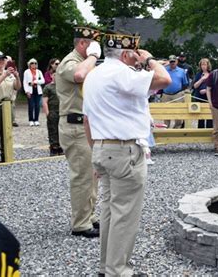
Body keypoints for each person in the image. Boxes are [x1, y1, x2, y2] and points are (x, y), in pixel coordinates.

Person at [83, 32, 171, 276]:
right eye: (134, 54)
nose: (137, 59)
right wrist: (150, 60)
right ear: (124, 53)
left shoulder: (94, 75)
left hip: (102, 147)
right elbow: (165, 80)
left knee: (111, 211)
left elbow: (87, 121)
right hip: (124, 150)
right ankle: (118, 270)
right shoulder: (123, 73)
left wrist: (95, 153)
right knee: (125, 214)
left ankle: (106, 266)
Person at [57, 26, 103, 238]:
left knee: (93, 175)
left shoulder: (84, 61)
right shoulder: (70, 62)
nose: (96, 49)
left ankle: (89, 215)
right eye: (93, 44)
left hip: (87, 125)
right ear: (82, 43)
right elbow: (79, 75)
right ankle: (80, 224)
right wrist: (93, 55)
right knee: (82, 176)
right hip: (74, 126)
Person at [161, 55, 189, 128]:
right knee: (166, 114)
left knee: (178, 114)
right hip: (166, 94)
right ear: (169, 62)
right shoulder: (164, 70)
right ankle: (166, 130)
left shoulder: (182, 71)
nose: (172, 63)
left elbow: (185, 83)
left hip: (178, 94)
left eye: (174, 61)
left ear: (176, 62)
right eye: (171, 61)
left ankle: (176, 130)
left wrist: (182, 92)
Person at [42, 67, 63, 156]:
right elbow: (44, 101)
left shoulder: (63, 86)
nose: (56, 76)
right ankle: (54, 147)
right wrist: (47, 113)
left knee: (61, 130)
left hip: (62, 111)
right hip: (52, 111)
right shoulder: (48, 87)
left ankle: (61, 146)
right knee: (52, 129)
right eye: (54, 74)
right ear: (51, 75)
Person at [23, 58, 45, 126]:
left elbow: (43, 81)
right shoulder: (26, 71)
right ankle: (31, 120)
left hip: (38, 91)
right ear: (29, 64)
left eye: (35, 63)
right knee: (31, 105)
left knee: (37, 106)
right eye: (32, 63)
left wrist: (35, 82)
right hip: (30, 91)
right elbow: (25, 82)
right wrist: (26, 91)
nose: (34, 64)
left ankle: (36, 120)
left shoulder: (39, 71)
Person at [192, 58, 213, 128]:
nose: (203, 66)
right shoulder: (198, 74)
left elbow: (215, 86)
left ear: (208, 65)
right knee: (201, 117)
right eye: (202, 65)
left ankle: (209, 131)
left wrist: (206, 90)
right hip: (199, 98)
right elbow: (195, 86)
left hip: (209, 99)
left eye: (205, 64)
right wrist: (202, 79)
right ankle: (200, 132)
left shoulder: (212, 74)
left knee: (210, 117)